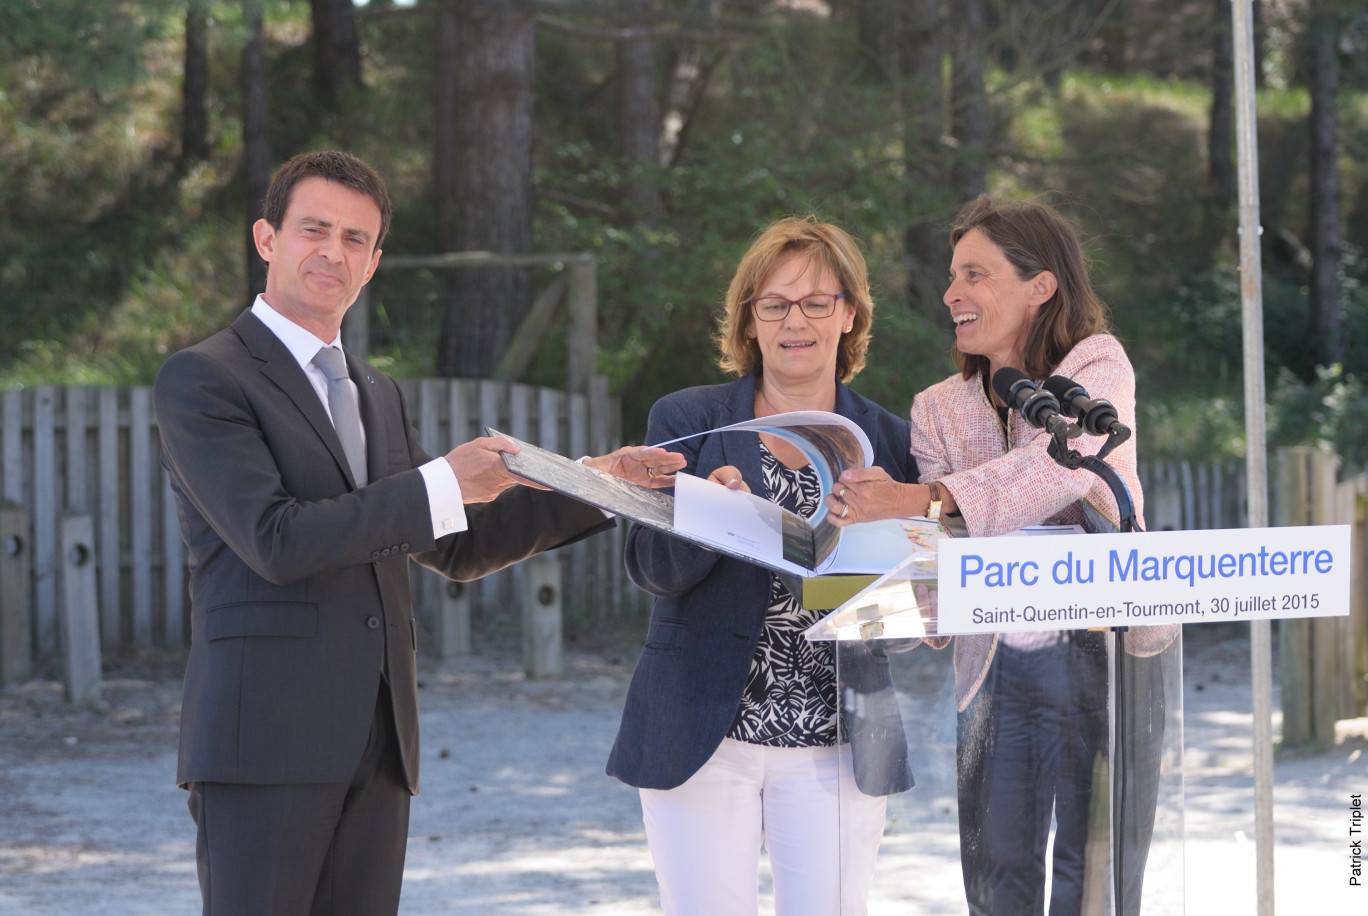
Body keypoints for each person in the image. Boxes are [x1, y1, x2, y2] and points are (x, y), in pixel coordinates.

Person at [154, 149, 684, 916]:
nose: (333, 252)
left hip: (380, 740)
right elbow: (276, 540)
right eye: (314, 230)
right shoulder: (204, 378)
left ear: (373, 263)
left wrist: (596, 485)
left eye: (355, 239)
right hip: (262, 741)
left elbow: (456, 545)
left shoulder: (374, 391)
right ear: (267, 239)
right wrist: (442, 481)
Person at [827, 195, 1175, 915]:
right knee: (999, 877)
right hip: (997, 666)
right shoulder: (937, 407)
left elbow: (1065, 469)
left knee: (1103, 880)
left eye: (976, 274)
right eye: (953, 276)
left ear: (1040, 285)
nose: (953, 293)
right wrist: (863, 591)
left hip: (1112, 654)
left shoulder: (1097, 366)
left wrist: (923, 498)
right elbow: (935, 552)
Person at [606, 216, 919, 916]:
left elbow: (904, 622)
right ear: (749, 319)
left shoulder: (893, 441)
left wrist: (885, 575)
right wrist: (702, 520)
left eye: (816, 302)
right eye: (773, 303)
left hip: (838, 742)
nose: (794, 321)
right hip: (699, 734)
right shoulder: (689, 417)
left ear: (850, 314)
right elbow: (649, 570)